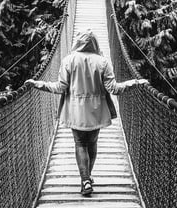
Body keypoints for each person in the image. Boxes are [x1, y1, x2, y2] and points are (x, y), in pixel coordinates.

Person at [25, 28, 147, 196]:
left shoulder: (68, 60)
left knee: (80, 143)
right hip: (97, 110)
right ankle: (88, 177)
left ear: (77, 42)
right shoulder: (103, 62)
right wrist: (135, 82)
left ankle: (85, 180)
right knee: (92, 143)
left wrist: (39, 84)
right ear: (95, 43)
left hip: (75, 110)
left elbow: (60, 87)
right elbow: (114, 89)